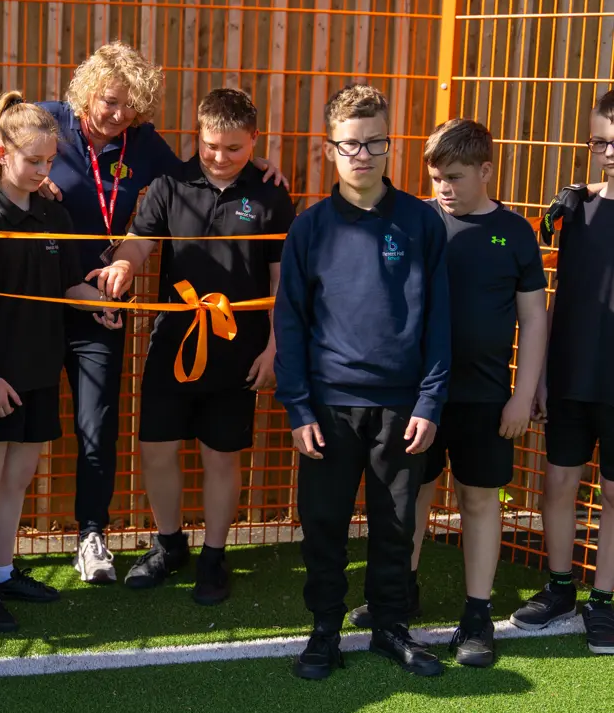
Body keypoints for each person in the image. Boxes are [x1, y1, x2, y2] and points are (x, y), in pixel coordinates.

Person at [0, 41, 283, 585]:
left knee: (97, 426)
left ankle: (91, 535)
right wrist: (39, 172)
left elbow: (184, 186)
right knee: (7, 443)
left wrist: (256, 163)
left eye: (130, 106)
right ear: (87, 92)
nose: (117, 115)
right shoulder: (47, 124)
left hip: (97, 306)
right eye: (110, 101)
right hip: (32, 303)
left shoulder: (147, 147)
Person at [347, 119, 547, 667]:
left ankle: (477, 614)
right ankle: (400, 593)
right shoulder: (417, 222)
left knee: (479, 499)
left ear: (486, 171)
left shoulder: (515, 233)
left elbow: (534, 318)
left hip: (487, 399)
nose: (444, 189)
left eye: (455, 177)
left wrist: (522, 393)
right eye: (436, 178)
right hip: (417, 397)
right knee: (411, 493)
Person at [274, 83, 450, 680]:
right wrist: (298, 407)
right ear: (331, 150)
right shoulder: (310, 228)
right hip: (327, 408)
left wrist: (430, 400)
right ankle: (325, 630)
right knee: (323, 523)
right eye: (351, 144)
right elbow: (290, 324)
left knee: (396, 524)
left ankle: (391, 627)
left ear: (390, 144)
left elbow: (439, 321)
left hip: (402, 407)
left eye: (375, 142)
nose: (363, 154)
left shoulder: (422, 223)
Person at [91, 88, 294, 604]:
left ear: (254, 141)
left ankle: (214, 555)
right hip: (172, 342)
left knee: (221, 456)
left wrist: (274, 347)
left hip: (239, 349)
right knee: (155, 449)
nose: (221, 158)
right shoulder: (169, 184)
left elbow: (281, 281)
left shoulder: (270, 194)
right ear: (197, 137)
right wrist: (123, 264)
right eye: (210, 147)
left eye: (233, 149)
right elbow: (140, 239)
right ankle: (169, 545)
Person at [0, 92, 119, 632]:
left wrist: (99, 304)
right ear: (2, 154)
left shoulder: (54, 212)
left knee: (18, 479)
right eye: (33, 160)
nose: (43, 170)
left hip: (40, 369)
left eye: (49, 160)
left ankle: (2, 573)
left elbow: (69, 283)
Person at [508, 89, 614, 656]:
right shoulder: (571, 207)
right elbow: (548, 293)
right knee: (559, 484)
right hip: (572, 374)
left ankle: (605, 600)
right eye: (601, 141)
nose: (609, 152)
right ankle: (559, 587)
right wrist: (542, 372)